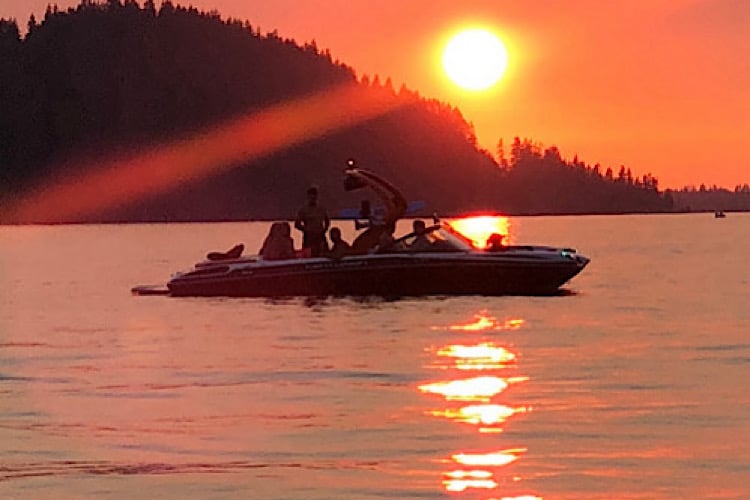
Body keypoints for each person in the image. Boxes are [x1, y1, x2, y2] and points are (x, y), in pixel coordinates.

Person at [294, 185, 330, 257]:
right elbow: (297, 224)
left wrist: (324, 230)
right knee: (309, 255)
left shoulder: (322, 208)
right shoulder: (303, 210)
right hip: (309, 237)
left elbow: (327, 221)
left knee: (324, 254)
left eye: (314, 196)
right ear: (308, 197)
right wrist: (306, 230)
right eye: (311, 196)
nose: (313, 198)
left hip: (320, 235)